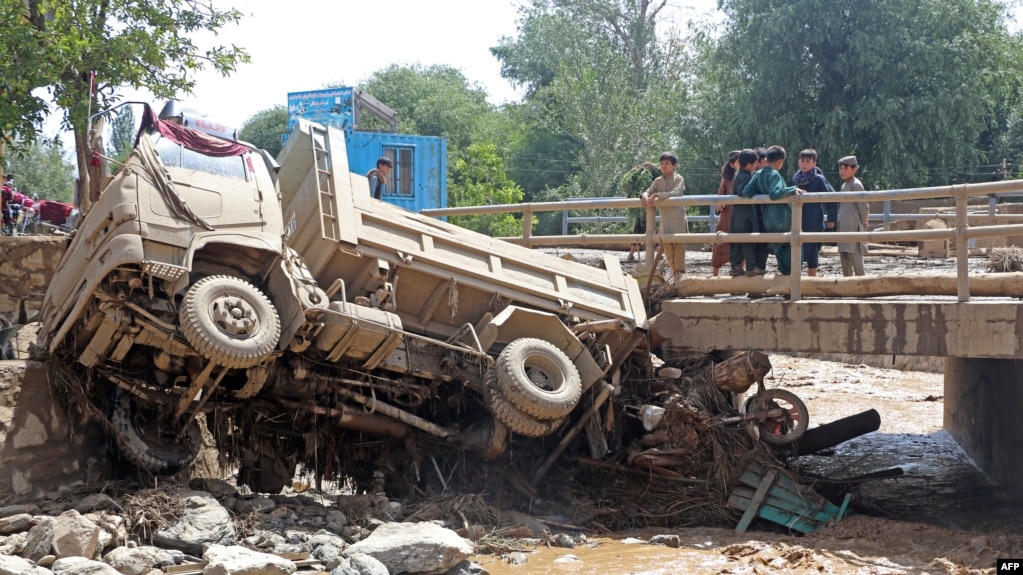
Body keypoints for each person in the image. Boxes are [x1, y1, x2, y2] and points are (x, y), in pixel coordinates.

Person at [745, 145, 806, 275]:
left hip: (769, 221)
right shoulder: (775, 174)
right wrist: (791, 189)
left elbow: (747, 191)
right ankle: (793, 287)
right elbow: (774, 193)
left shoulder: (758, 174)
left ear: (766, 159)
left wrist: (761, 194)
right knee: (794, 252)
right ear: (780, 161)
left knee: (780, 252)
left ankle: (785, 283)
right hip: (782, 220)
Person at [790, 149, 837, 276]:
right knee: (795, 249)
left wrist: (831, 219)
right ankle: (795, 281)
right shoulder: (795, 179)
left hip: (813, 220)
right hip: (796, 220)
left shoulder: (818, 179)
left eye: (808, 161)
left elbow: (832, 197)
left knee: (812, 251)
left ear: (814, 163)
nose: (804, 164)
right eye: (802, 161)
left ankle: (812, 280)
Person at [641, 152, 687, 279]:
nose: (664, 166)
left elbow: (675, 193)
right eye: (661, 163)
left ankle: (680, 278)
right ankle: (675, 277)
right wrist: (645, 195)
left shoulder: (679, 179)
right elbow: (648, 191)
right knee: (668, 252)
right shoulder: (657, 181)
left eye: (667, 163)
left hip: (678, 221)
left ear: (675, 165)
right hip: (664, 222)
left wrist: (657, 195)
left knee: (679, 252)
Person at [727, 149, 763, 276]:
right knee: (748, 239)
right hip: (746, 213)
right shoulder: (745, 176)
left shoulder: (737, 173)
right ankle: (751, 267)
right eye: (755, 164)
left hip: (737, 213)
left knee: (736, 240)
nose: (756, 166)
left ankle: (735, 265)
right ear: (749, 165)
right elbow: (743, 191)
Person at [837, 155, 869, 276]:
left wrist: (864, 221)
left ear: (854, 169)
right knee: (845, 259)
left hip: (854, 227)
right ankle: (847, 287)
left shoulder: (856, 185)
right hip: (844, 227)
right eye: (841, 168)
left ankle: (862, 287)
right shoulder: (844, 186)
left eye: (845, 168)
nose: (842, 171)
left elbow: (864, 206)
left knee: (856, 260)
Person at [620, 162, 659, 262]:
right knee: (643, 231)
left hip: (644, 208)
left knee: (645, 230)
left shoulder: (644, 180)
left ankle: (658, 253)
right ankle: (631, 256)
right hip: (644, 209)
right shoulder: (649, 179)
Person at [711, 151, 741, 276]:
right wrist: (720, 202)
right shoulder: (727, 179)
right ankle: (715, 274)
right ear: (732, 164)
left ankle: (738, 274)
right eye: (740, 162)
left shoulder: (747, 176)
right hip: (726, 217)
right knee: (720, 245)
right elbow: (720, 196)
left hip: (740, 217)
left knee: (740, 245)